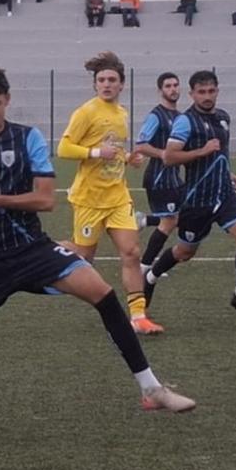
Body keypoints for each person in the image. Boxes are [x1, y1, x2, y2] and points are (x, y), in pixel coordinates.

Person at [0, 66, 197, 420]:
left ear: (8, 100)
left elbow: (46, 200)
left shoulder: (27, 138)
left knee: (104, 295)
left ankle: (151, 388)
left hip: (33, 249)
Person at [143, 70, 236, 324]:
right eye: (201, 92)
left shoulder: (223, 118)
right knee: (185, 252)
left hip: (224, 194)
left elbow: (221, 152)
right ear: (192, 94)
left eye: (211, 91)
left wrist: (227, 172)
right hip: (197, 200)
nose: (207, 96)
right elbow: (170, 156)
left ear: (217, 91)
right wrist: (202, 151)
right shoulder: (185, 122)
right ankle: (151, 276)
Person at [57, 52, 163, 335]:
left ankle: (138, 316)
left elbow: (113, 149)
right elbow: (63, 149)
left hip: (118, 197)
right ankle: (49, 251)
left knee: (131, 252)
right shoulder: (86, 112)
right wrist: (94, 152)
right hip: (89, 200)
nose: (106, 84)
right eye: (101, 79)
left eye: (111, 80)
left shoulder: (121, 113)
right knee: (83, 258)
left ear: (121, 85)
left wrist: (128, 158)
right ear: (95, 84)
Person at [132, 73, 185, 277]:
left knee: (186, 216)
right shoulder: (157, 116)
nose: (173, 89)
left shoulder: (179, 117)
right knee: (170, 222)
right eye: (168, 86)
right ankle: (144, 268)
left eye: (175, 85)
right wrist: (163, 153)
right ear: (160, 90)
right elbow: (141, 145)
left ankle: (144, 220)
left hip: (174, 178)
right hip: (160, 179)